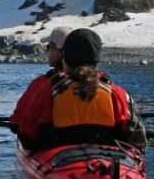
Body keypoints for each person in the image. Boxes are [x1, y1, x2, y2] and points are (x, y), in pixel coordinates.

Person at [9, 28, 146, 151]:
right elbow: (137, 142)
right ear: (96, 60)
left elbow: (25, 134)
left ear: (65, 57)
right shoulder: (118, 93)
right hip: (107, 164)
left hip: (57, 162)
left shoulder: (47, 90)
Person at [11, 26, 71, 116]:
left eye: (48, 47)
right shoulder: (95, 81)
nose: (47, 51)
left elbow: (18, 119)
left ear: (58, 52)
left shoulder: (42, 84)